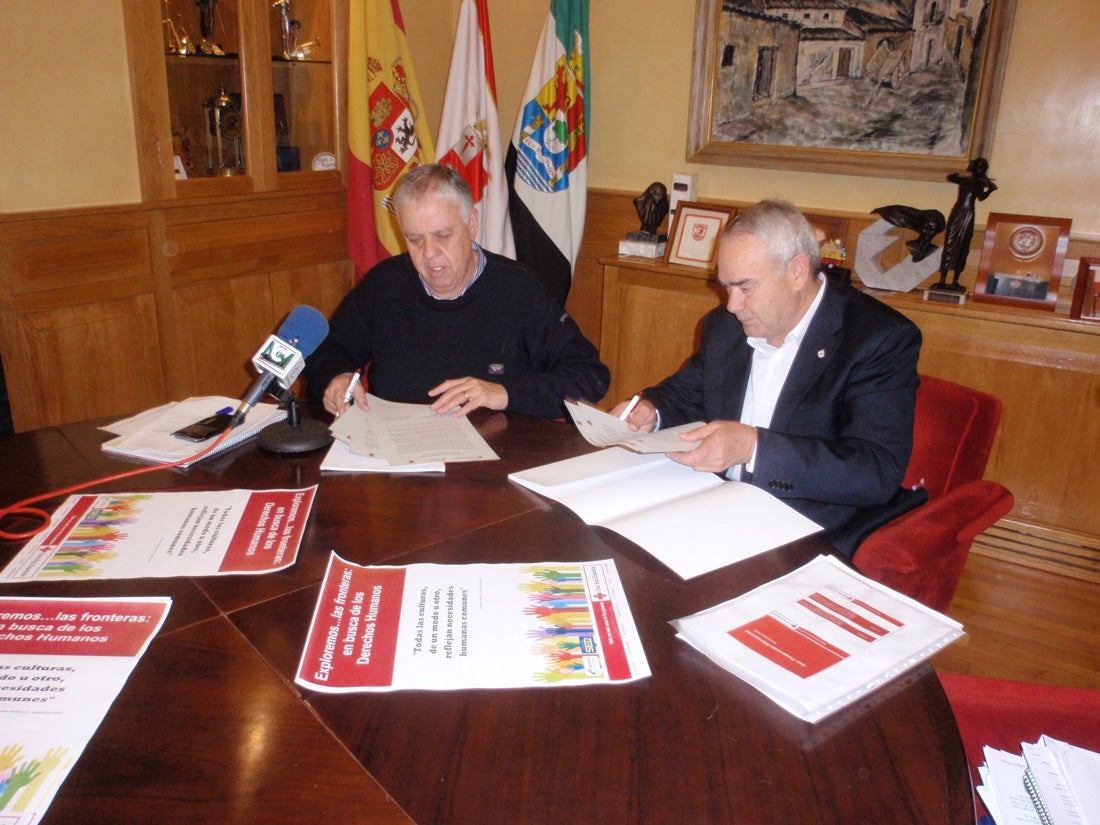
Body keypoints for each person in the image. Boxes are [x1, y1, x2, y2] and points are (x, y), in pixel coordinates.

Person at [612, 199, 925, 558]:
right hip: (713, 512)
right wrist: (652, 411)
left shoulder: (877, 338)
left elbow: (875, 471)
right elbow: (687, 394)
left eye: (746, 288)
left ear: (796, 272)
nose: (732, 305)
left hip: (807, 531)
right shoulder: (725, 327)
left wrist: (753, 447)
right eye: (726, 287)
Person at [305, 164, 609, 419]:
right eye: (415, 239)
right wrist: (335, 378)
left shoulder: (518, 290)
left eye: (443, 235)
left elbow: (589, 376)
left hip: (494, 467)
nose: (429, 253)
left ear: (472, 223)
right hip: (397, 465)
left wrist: (503, 393)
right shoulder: (384, 285)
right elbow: (328, 351)